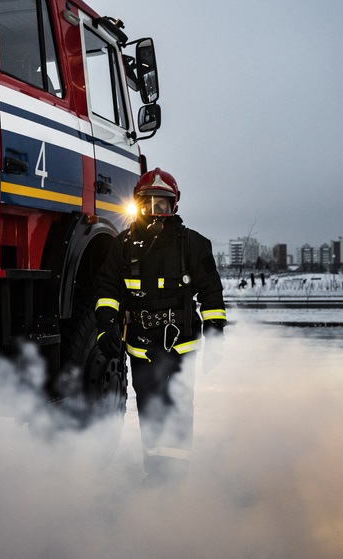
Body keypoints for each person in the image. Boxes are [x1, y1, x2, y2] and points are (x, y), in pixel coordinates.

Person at [94, 168, 226, 486]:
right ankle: (155, 471)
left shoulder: (193, 244)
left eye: (162, 205)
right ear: (137, 205)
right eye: (148, 203)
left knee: (179, 405)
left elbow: (211, 291)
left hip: (181, 343)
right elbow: (107, 288)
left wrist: (216, 333)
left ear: (174, 206)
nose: (155, 211)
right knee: (149, 406)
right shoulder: (122, 245)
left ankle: (175, 477)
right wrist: (105, 325)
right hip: (140, 343)